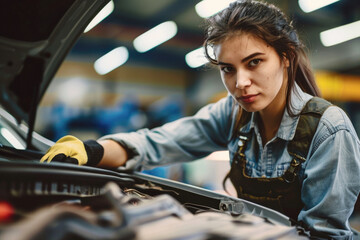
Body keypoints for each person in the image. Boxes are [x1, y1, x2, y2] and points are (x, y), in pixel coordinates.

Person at [41, 0, 360, 238]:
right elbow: (159, 142)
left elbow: (323, 235)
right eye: (228, 69)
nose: (240, 82)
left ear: (286, 58)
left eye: (254, 62)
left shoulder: (329, 130)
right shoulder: (234, 113)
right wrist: (92, 150)